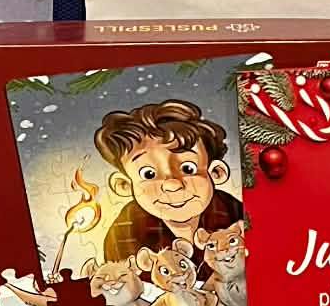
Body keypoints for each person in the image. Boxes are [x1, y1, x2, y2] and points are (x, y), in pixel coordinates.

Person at [95, 100, 242, 263]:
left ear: (216, 172)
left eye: (188, 169)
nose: (172, 184)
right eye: (149, 174)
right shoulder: (125, 231)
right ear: (125, 185)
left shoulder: (232, 211)